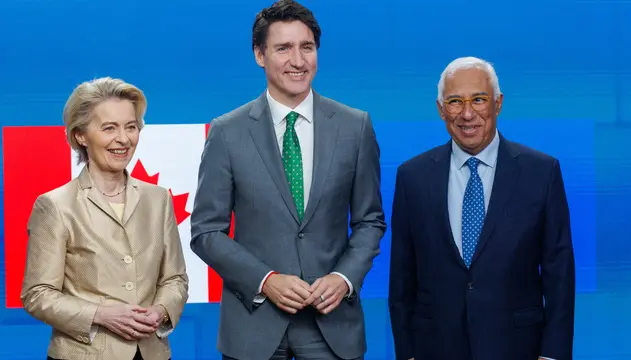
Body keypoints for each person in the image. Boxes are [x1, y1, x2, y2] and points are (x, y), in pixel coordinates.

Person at [190, 1, 386, 359]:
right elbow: (206, 232)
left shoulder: (354, 127)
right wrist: (265, 281)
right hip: (252, 328)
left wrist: (343, 279)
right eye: (283, 48)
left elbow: (370, 220)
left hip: (332, 329)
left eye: (306, 47)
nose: (298, 61)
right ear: (259, 55)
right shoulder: (227, 132)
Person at [388, 57, 575, 360]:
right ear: (440, 109)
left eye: (478, 99)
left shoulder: (542, 172)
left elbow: (559, 274)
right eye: (454, 101)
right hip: (435, 348)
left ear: (498, 103)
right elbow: (402, 278)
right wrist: (406, 353)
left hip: (518, 347)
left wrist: (553, 354)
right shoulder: (412, 177)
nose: (466, 113)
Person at [21, 77, 189, 360]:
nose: (123, 139)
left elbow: (175, 279)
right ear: (81, 136)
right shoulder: (55, 206)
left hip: (152, 352)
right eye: (109, 128)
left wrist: (160, 311)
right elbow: (38, 294)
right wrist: (100, 314)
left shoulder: (158, 198)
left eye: (131, 127)